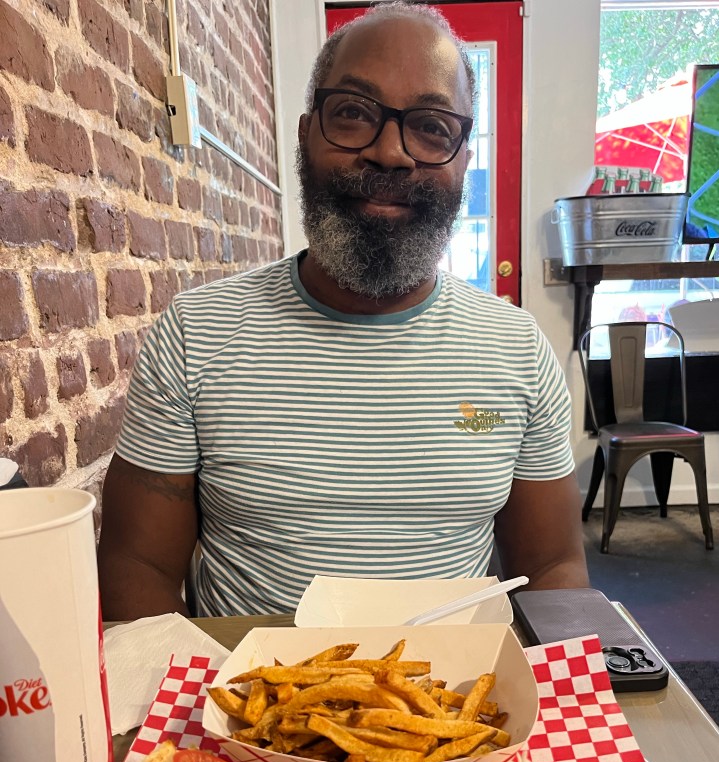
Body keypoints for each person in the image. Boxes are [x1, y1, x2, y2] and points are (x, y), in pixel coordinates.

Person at [97, 1, 589, 620]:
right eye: (354, 113)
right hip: (249, 680)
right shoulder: (196, 334)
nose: (391, 153)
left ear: (465, 157)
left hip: (455, 678)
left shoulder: (516, 349)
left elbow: (552, 568)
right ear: (306, 134)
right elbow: (137, 565)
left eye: (432, 126)